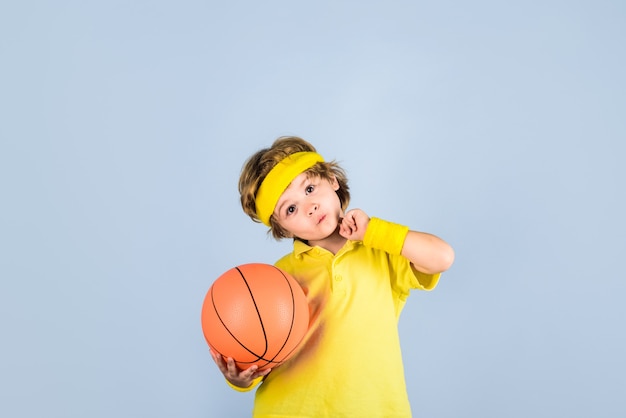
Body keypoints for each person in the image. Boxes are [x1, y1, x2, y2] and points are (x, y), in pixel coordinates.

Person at [210, 136, 454, 417]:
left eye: (310, 188)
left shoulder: (381, 251)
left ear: (333, 180)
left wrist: (373, 231)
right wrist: (239, 379)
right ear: (284, 230)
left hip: (374, 409)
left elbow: (442, 257)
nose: (309, 207)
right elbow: (257, 349)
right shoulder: (276, 278)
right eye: (291, 209)